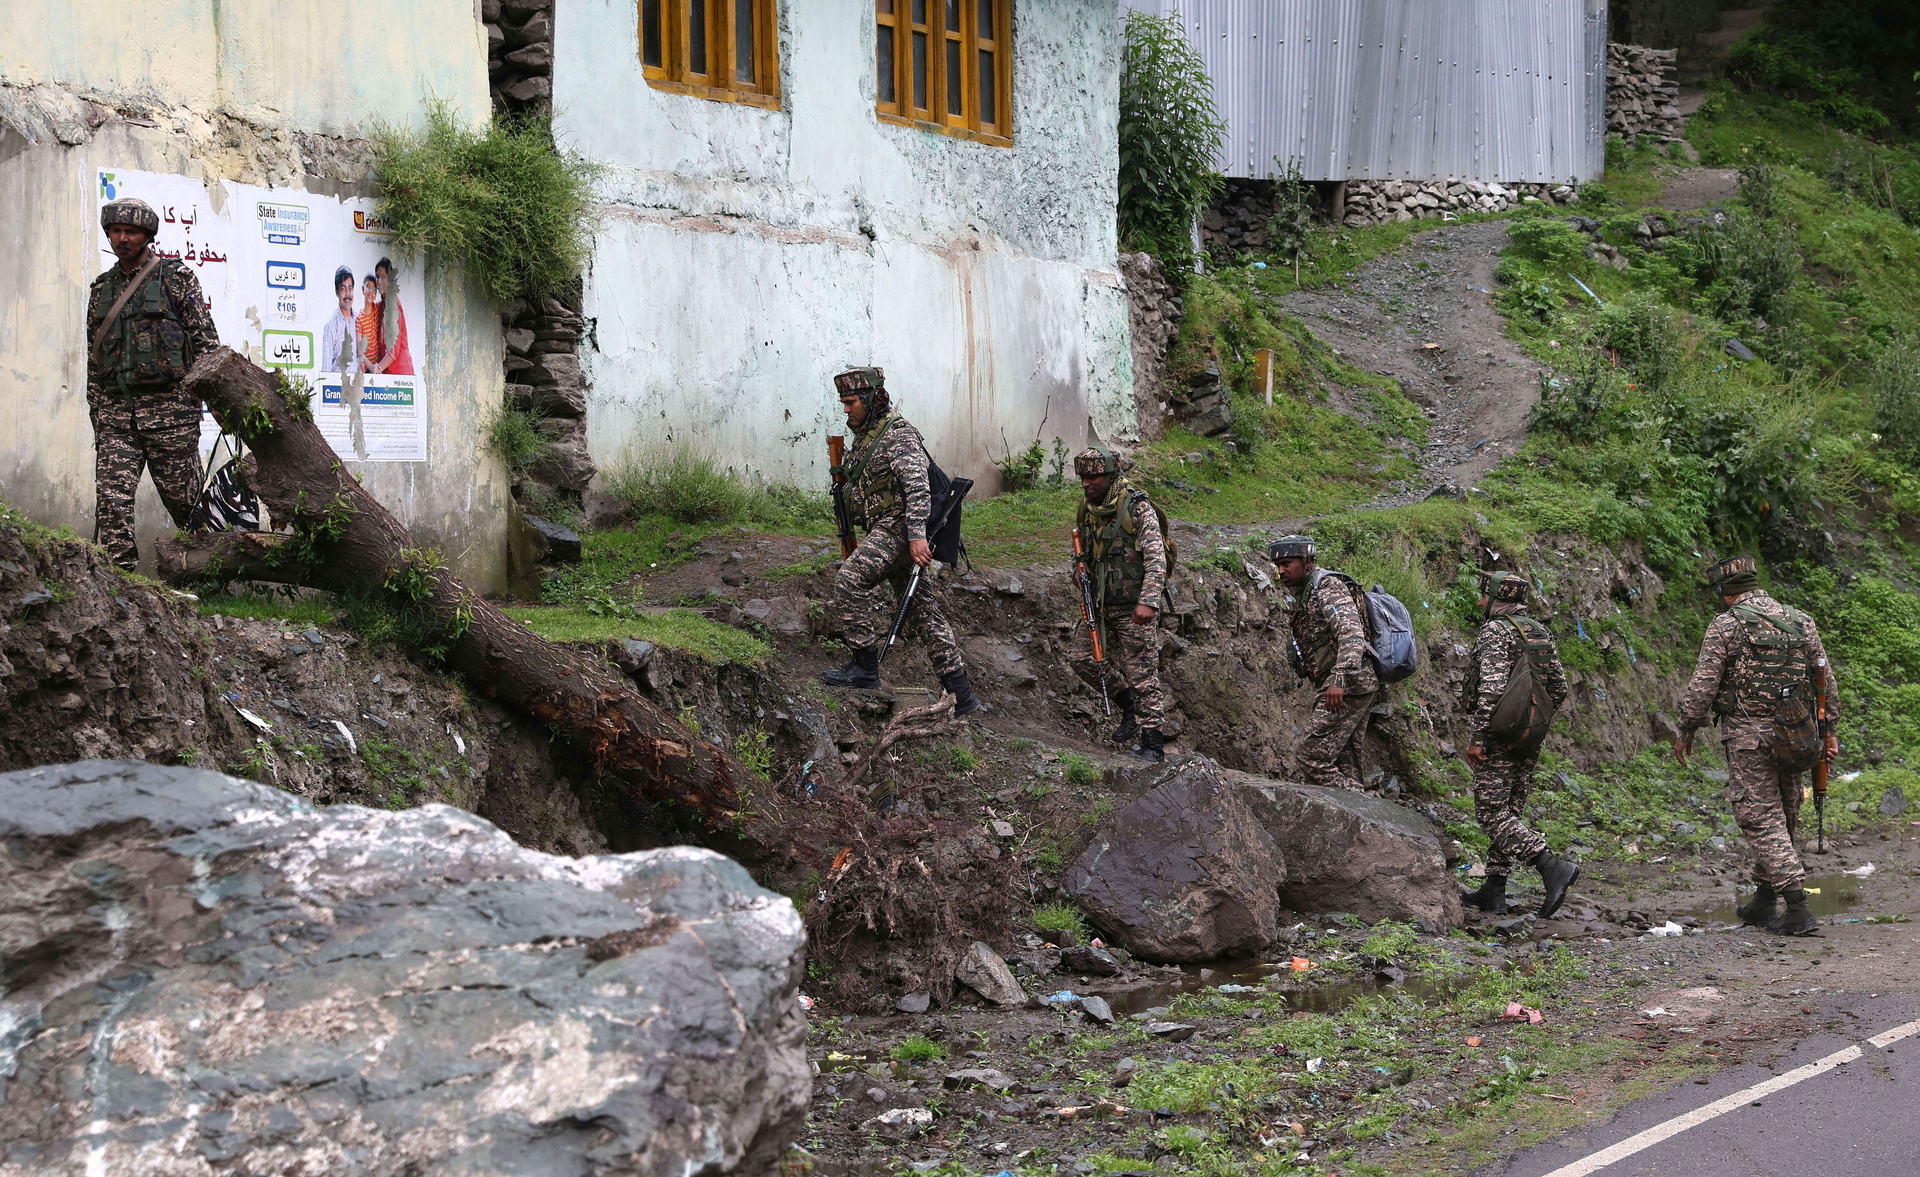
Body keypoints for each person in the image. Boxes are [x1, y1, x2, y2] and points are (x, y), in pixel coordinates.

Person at [1675, 555, 1839, 936]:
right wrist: (1828, 729)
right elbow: (1824, 679)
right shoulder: (1800, 620)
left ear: (1727, 593)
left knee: (1760, 817)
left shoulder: (1726, 626)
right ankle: (1765, 900)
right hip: (1797, 732)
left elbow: (1703, 686)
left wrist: (1686, 729)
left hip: (1749, 735)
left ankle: (1797, 906)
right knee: (1785, 810)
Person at [821, 367, 979, 716]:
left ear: (871, 399)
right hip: (889, 528)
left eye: (850, 403)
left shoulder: (898, 434)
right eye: (843, 403)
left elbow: (917, 488)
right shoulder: (867, 434)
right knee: (924, 613)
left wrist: (917, 536)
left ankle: (864, 667)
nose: (846, 409)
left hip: (899, 528)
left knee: (849, 580)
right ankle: (963, 695)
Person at [84, 197, 220, 570]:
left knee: (185, 503)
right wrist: (97, 412)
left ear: (147, 235)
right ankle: (119, 582)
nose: (122, 238)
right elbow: (94, 359)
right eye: (116, 230)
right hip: (116, 415)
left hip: (170, 414)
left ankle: (211, 572)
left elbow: (207, 345)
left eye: (131, 231)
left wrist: (213, 404)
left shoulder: (177, 278)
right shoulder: (101, 289)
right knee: (112, 499)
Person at [1459, 571, 1579, 918]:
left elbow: (1491, 689)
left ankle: (1550, 865)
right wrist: (1531, 725)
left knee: (1491, 813)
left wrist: (1480, 736)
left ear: (1496, 598)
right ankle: (1493, 889)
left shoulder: (1496, 631)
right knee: (1510, 810)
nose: (1480, 603)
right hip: (1529, 737)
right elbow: (1559, 688)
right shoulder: (1538, 630)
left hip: (1498, 737)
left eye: (1484, 597)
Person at [1068, 447, 1170, 761]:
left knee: (1142, 674)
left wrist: (1149, 601)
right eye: (1083, 477)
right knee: (1080, 658)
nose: (1087, 483)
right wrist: (1077, 571)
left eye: (1094, 476)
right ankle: (1126, 705)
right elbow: (1082, 552)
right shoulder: (1086, 510)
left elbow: (1156, 560)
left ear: (1111, 474)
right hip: (1099, 606)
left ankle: (1153, 744)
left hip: (1134, 608)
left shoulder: (1137, 508)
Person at [1269, 535, 1378, 791]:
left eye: (1286, 563)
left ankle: (1352, 804)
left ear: (1307, 561)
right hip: (1352, 682)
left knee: (1311, 754)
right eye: (1277, 566)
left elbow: (1351, 635)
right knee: (1345, 760)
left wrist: (1339, 680)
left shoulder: (1327, 587)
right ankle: (1359, 818)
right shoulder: (1306, 593)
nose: (1281, 571)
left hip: (1349, 683)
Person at [371, 257, 412, 376]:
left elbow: (393, 351)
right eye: (377, 277)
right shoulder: (382, 305)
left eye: (383, 277)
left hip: (401, 374)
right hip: (388, 373)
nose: (379, 281)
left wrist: (376, 369)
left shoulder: (393, 305)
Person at [318, 265, 361, 374]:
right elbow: (326, 369)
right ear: (337, 292)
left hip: (358, 388)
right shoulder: (331, 326)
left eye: (350, 288)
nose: (347, 294)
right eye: (343, 289)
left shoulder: (359, 321)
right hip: (338, 389)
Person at [356, 273, 383, 371]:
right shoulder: (359, 318)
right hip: (367, 368)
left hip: (380, 364)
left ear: (376, 294)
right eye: (368, 287)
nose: (370, 291)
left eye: (373, 289)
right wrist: (371, 367)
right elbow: (360, 351)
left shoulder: (378, 308)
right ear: (363, 289)